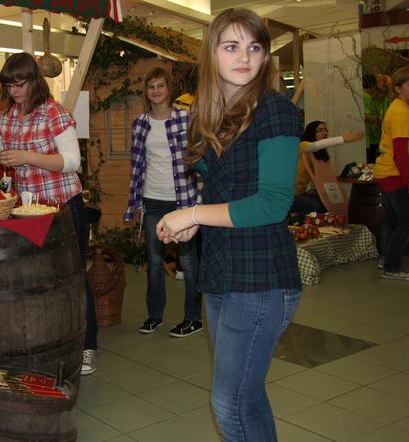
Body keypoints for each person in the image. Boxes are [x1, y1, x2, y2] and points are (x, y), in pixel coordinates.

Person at [156, 9, 302, 441]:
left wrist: (194, 214)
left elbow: (273, 203)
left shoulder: (274, 110)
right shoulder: (215, 113)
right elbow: (228, 191)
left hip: (260, 279)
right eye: (231, 46)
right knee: (246, 397)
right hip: (222, 272)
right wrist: (197, 223)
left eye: (255, 47)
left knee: (231, 401)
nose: (245, 57)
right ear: (212, 53)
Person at [0, 52, 99, 375]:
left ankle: (88, 344)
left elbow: (72, 162)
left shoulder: (53, 113)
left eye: (20, 82)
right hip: (28, 211)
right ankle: (56, 339)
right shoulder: (7, 118)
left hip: (63, 207)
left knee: (74, 274)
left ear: (34, 81)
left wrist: (27, 156)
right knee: (42, 279)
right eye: (9, 84)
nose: (15, 89)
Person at [123, 67, 202, 338]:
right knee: (154, 261)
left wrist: (199, 199)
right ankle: (154, 315)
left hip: (182, 199)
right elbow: (137, 166)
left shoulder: (186, 118)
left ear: (169, 89)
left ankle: (194, 318)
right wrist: (135, 204)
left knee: (188, 261)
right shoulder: (140, 123)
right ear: (146, 92)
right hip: (152, 198)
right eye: (151, 86)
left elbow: (198, 159)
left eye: (160, 86)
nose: (156, 91)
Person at [373, 65, 409, 280]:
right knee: (406, 219)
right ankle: (392, 266)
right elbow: (400, 154)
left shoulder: (399, 107)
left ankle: (385, 258)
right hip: (392, 173)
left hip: (386, 171)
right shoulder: (401, 112)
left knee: (394, 218)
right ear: (397, 88)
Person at [292, 121, 364, 216]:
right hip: (288, 195)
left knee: (329, 203)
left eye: (326, 130)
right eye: (320, 130)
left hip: (300, 193)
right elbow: (314, 146)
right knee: (316, 206)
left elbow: (318, 175)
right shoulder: (303, 145)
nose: (325, 133)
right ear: (311, 132)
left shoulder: (319, 153)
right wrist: (342, 138)